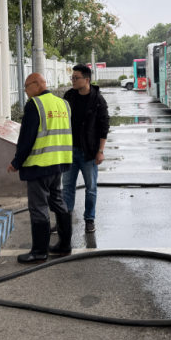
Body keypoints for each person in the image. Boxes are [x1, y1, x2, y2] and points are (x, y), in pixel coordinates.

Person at [7, 73, 73, 262]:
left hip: (39, 165)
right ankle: (64, 246)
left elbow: (26, 138)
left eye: (26, 87)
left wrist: (16, 162)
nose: (25, 91)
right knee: (58, 201)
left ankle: (39, 252)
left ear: (37, 84)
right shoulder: (63, 104)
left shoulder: (35, 104)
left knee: (38, 207)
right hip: (58, 162)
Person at [60, 64, 109, 234]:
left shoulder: (98, 100)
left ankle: (89, 219)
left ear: (87, 80)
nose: (73, 81)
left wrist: (100, 151)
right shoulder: (69, 97)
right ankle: (64, 221)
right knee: (67, 187)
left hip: (89, 152)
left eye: (76, 78)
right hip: (69, 151)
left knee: (91, 187)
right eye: (72, 78)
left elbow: (103, 126)